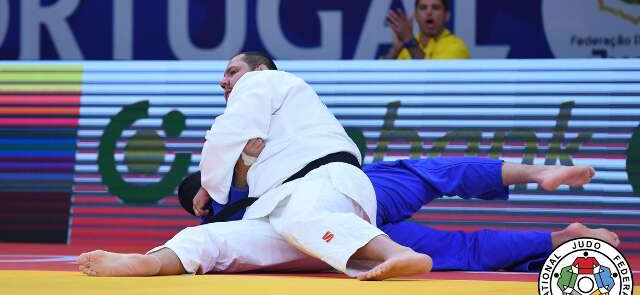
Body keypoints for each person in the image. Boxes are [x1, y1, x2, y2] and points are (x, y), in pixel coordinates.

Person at [79, 51, 432, 281]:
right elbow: (235, 152)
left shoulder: (268, 81)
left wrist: (208, 183)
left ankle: (398, 253)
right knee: (207, 237)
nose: (224, 81)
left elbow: (225, 135)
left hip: (326, 180)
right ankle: (150, 263)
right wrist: (224, 175)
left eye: (233, 71)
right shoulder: (266, 125)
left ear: (259, 69)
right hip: (285, 213)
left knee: (302, 218)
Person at [178, 142, 618, 272]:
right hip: (354, 193)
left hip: (349, 226)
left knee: (460, 253)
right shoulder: (237, 182)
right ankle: (539, 185)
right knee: (436, 174)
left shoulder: (225, 220)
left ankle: (559, 239)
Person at [383, 0, 470, 60]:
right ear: (416, 16)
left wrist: (409, 40)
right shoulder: (406, 46)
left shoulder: (456, 47)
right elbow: (379, 76)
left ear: (446, 16)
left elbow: (432, 77)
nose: (429, 12)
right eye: (423, 8)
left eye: (435, 8)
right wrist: (395, 50)